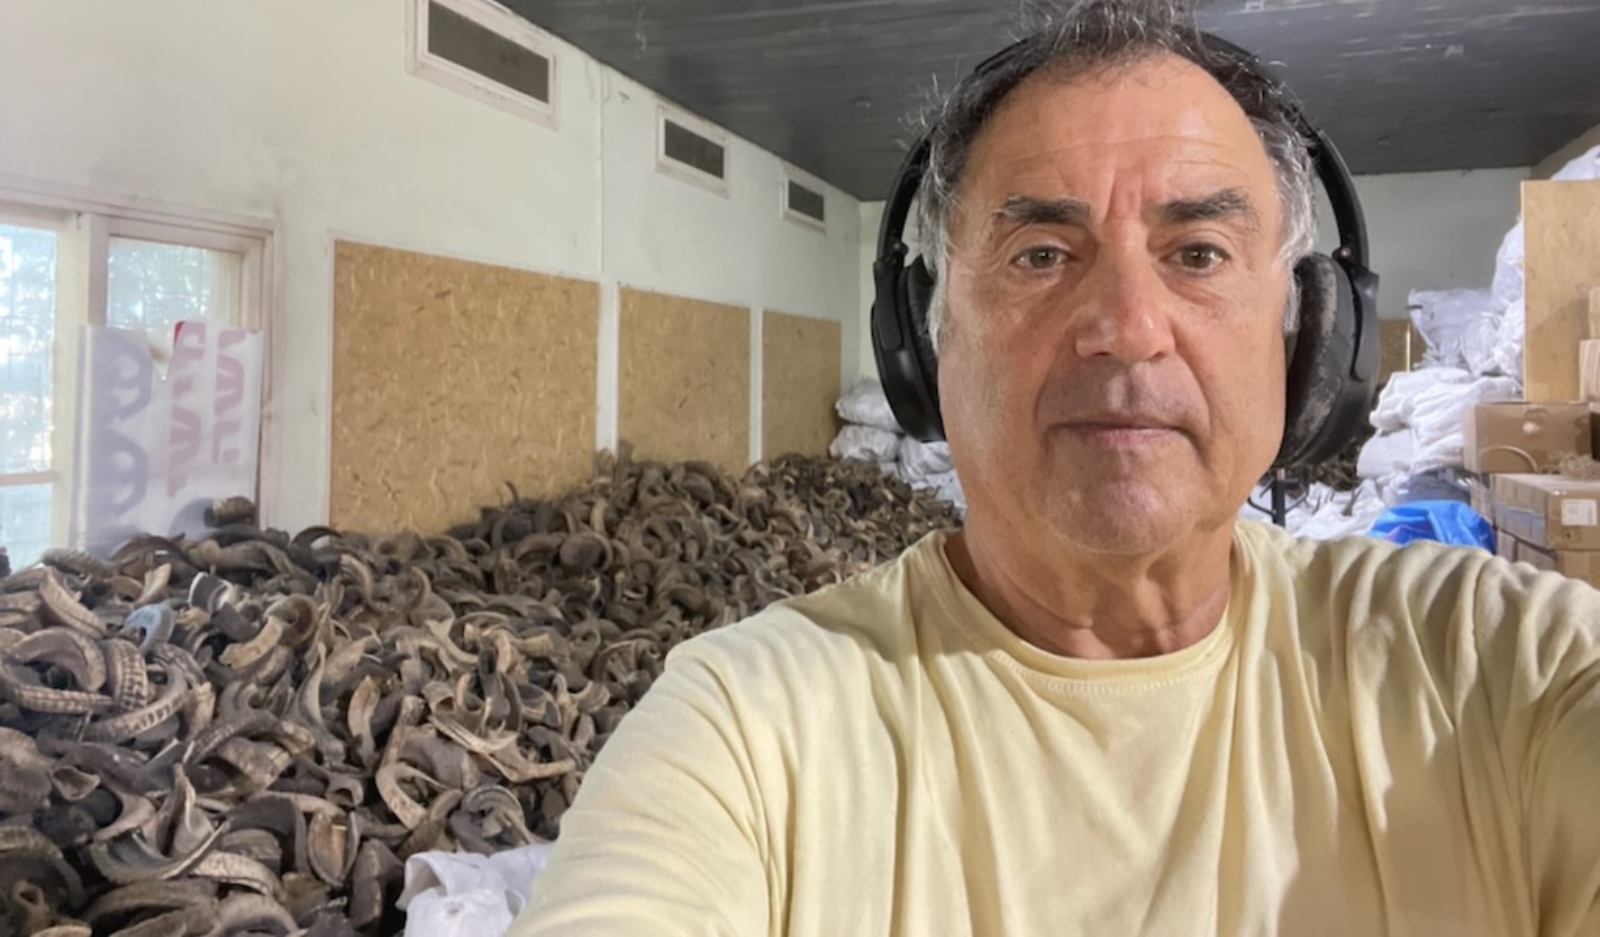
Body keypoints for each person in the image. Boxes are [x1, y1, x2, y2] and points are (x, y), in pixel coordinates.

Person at [507, 1, 1600, 934]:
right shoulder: (745, 732)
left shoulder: (1504, 665)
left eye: (1197, 254)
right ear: (927, 337)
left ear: (1308, 336)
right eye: (1041, 255)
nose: (1126, 326)